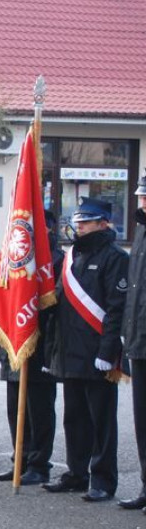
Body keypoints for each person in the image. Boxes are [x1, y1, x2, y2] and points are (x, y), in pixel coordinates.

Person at [43, 197, 128, 502]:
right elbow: (60, 303)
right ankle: (76, 473)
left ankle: (103, 479)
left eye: (86, 222)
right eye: (78, 222)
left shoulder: (115, 257)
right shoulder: (71, 257)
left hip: (97, 352)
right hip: (70, 349)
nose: (79, 227)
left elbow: (116, 310)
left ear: (103, 224)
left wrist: (108, 352)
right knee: (74, 417)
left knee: (101, 420)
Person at [0, 210, 63, 486]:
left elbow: (56, 308)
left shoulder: (56, 261)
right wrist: (1, 347)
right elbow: (3, 303)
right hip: (15, 342)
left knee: (39, 408)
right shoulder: (13, 259)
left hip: (41, 343)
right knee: (15, 407)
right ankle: (19, 460)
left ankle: (39, 464)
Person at [121, 172, 146, 511]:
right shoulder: (140, 231)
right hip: (139, 339)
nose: (141, 201)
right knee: (141, 420)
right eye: (141, 196)